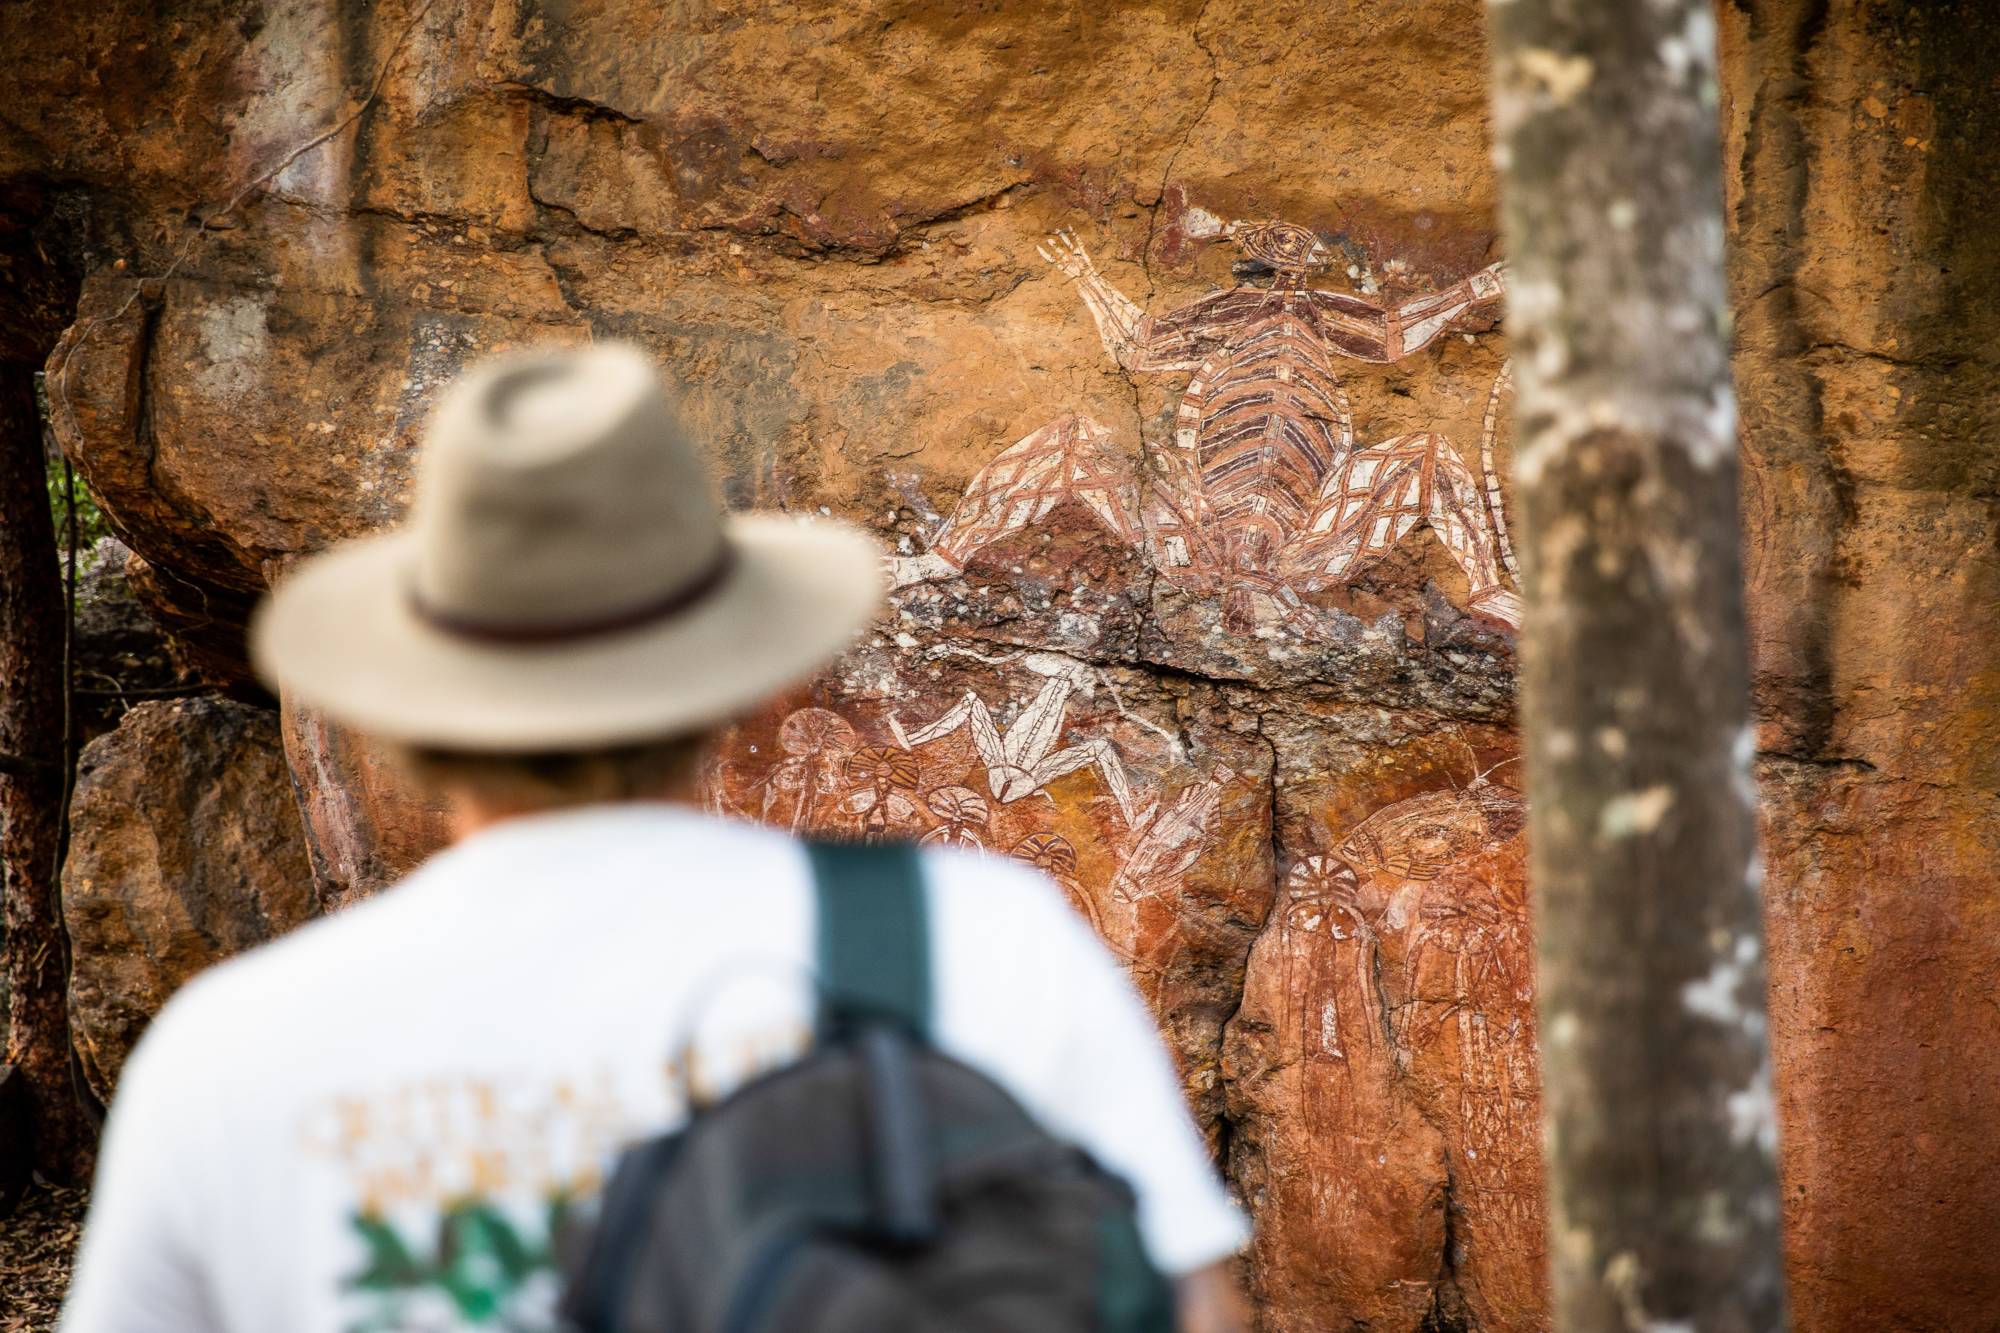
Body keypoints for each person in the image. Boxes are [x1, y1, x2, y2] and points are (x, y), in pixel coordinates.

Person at [59, 343, 1249, 1332]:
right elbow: (1187, 1302)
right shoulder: (977, 938)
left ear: (408, 710)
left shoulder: (231, 1054)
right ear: (733, 676)